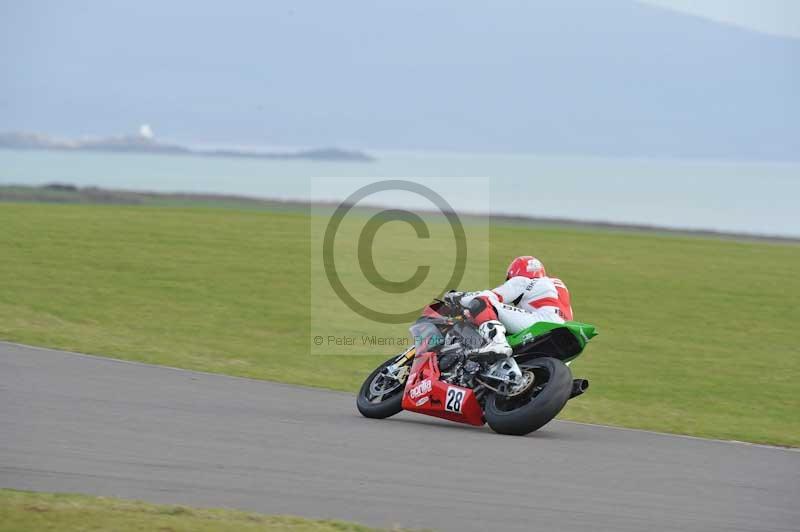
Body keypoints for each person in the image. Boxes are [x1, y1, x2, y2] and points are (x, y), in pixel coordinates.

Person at [447, 256, 573, 357]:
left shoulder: (523, 281)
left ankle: (497, 343)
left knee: (482, 302)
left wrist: (458, 296)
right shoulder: (557, 286)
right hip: (564, 331)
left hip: (540, 322)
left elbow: (490, 296)